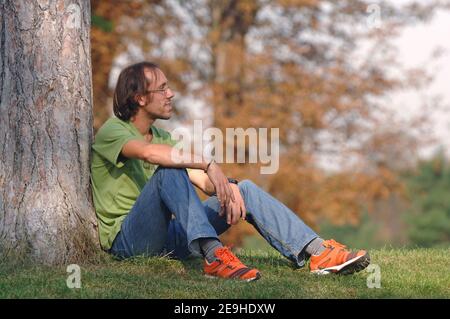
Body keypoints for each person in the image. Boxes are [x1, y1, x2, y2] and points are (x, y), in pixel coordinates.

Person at [90, 61, 370, 282]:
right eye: (162, 89)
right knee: (168, 171)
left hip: (168, 237)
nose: (170, 93)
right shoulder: (114, 130)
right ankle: (215, 257)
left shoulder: (163, 138)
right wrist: (207, 163)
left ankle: (319, 253)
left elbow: (201, 181)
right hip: (128, 241)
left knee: (244, 189)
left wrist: (229, 186)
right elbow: (150, 154)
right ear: (139, 98)